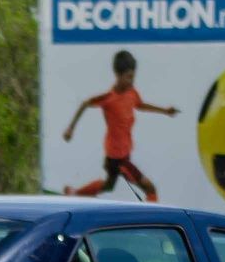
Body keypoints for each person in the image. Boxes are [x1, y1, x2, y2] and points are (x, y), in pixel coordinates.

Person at [61, 50, 178, 202]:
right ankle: (150, 219)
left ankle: (75, 193)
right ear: (118, 75)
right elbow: (85, 103)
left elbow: (140, 105)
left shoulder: (132, 93)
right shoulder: (108, 98)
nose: (132, 81)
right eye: (128, 77)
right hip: (118, 158)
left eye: (133, 76)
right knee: (150, 188)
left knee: (109, 185)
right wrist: (70, 128)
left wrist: (165, 111)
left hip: (120, 154)